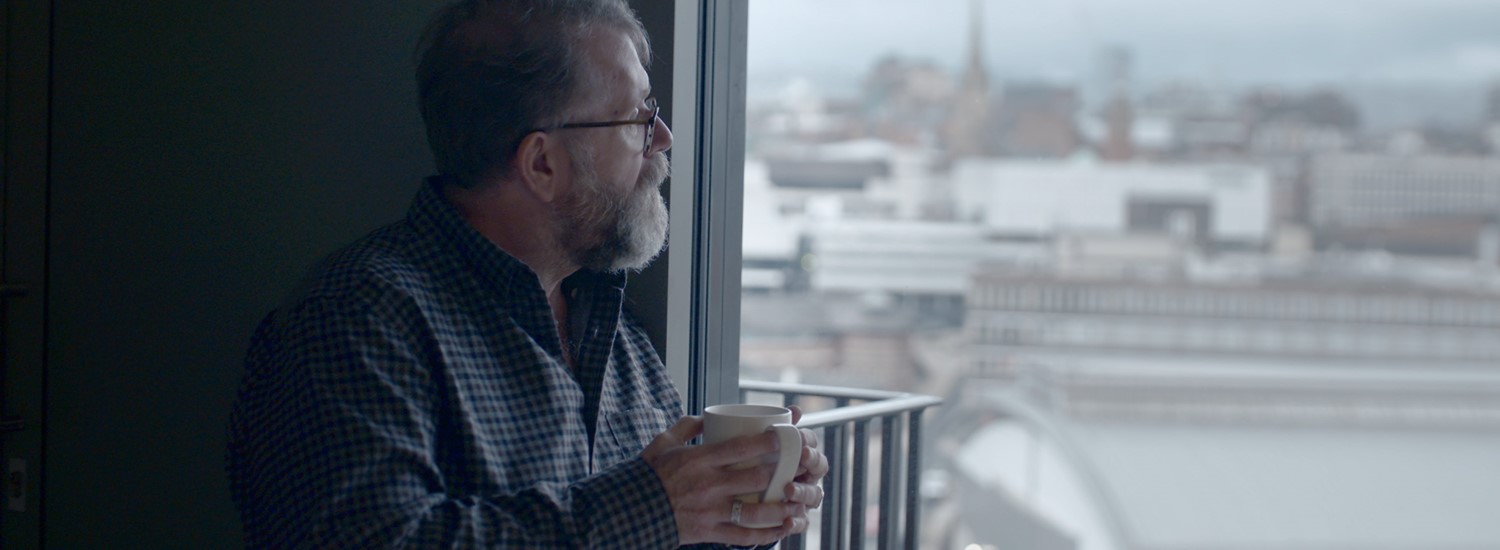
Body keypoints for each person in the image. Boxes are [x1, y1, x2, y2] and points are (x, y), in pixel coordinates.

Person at [225, 0, 828, 547]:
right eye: (637, 117)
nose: (662, 139)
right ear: (542, 163)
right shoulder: (353, 323)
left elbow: (646, 531)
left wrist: (733, 514)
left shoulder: (614, 334)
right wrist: (657, 506)